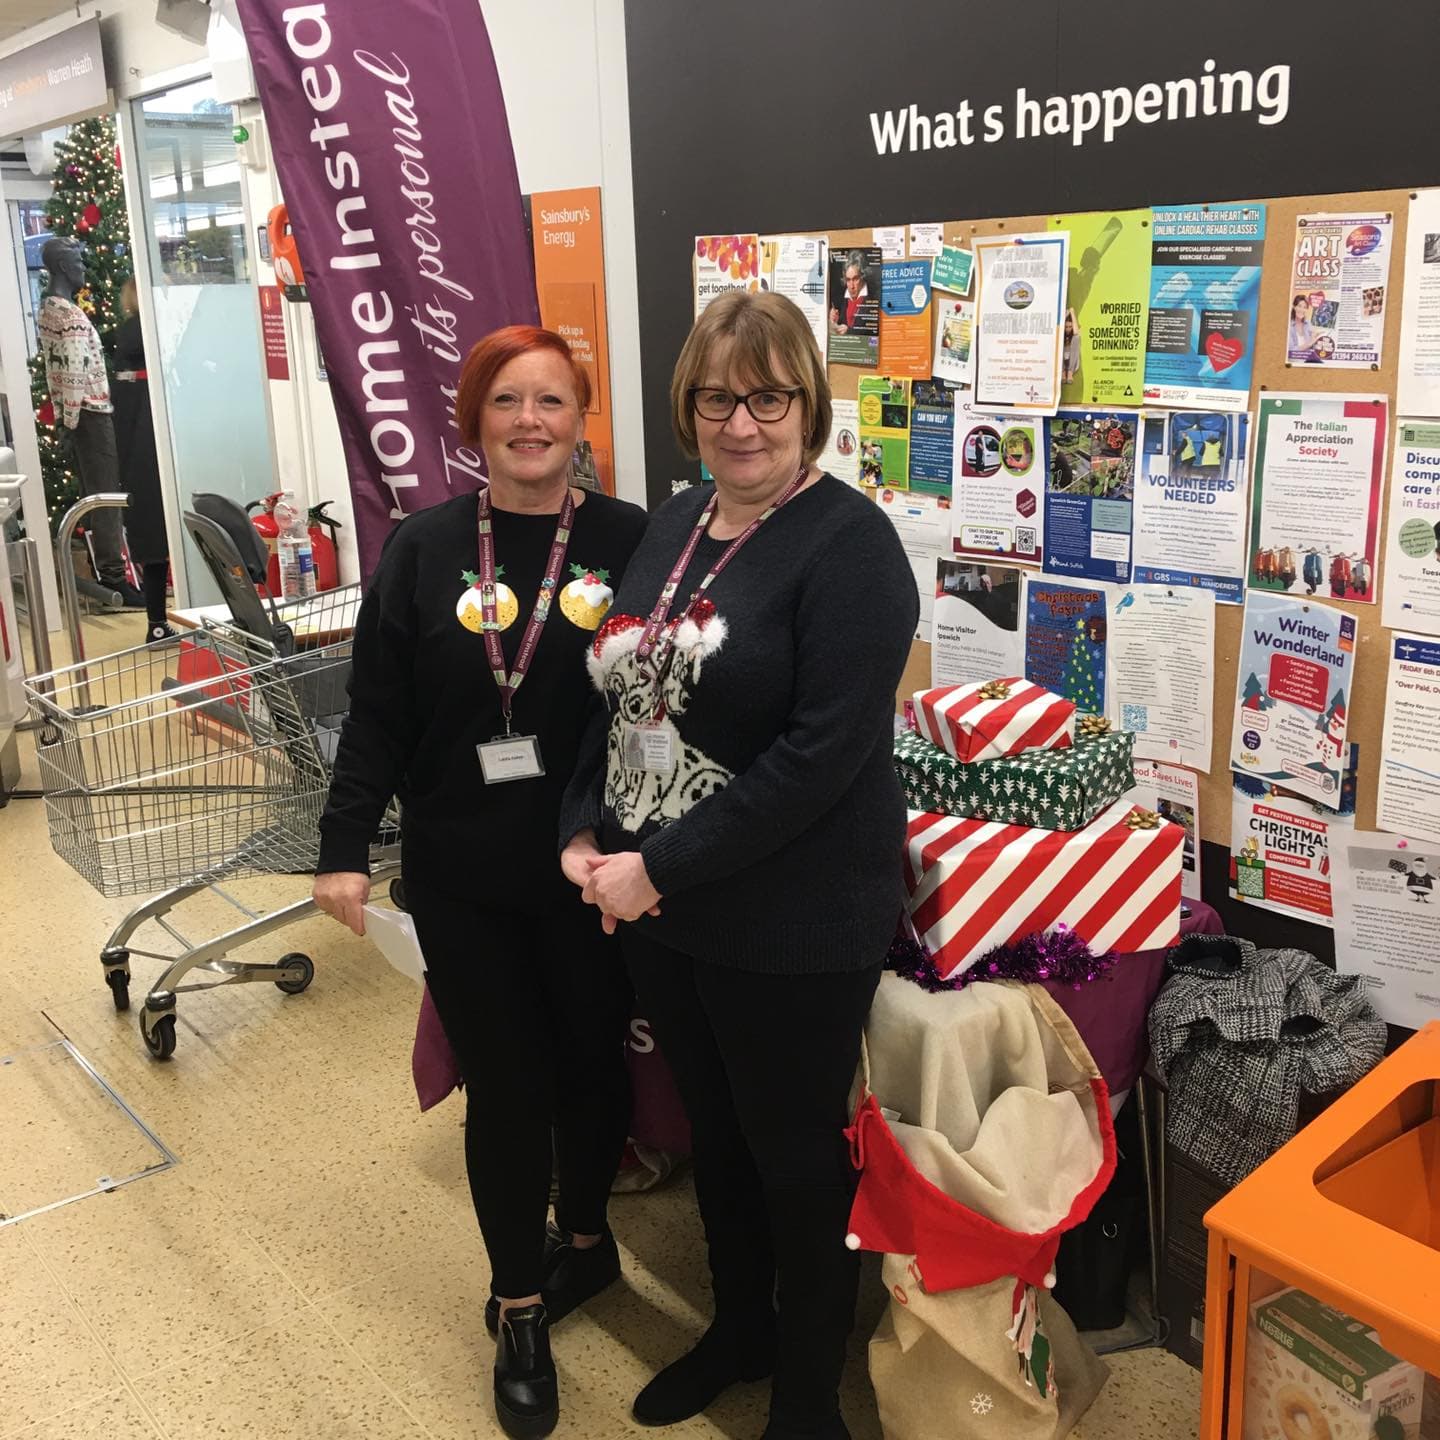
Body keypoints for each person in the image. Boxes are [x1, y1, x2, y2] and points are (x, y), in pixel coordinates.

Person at [559, 290, 917, 1440]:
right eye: (719, 398)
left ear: (808, 403)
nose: (743, 423)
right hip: (674, 909)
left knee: (794, 1162)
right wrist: (586, 827)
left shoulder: (853, 548)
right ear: (690, 407)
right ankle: (740, 1332)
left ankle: (809, 1402)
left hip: (796, 922)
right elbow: (618, 694)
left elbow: (819, 760)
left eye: (770, 398)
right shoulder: (674, 524)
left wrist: (654, 870)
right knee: (714, 1138)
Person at [312, 325, 648, 1440]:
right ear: (475, 419)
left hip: (594, 868)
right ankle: (518, 1306)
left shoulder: (630, 541)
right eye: (507, 400)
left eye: (552, 400)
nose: (530, 421)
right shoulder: (423, 545)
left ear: (581, 417)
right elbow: (378, 709)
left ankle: (588, 1243)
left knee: (595, 1065)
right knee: (507, 1090)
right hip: (463, 871)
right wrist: (344, 843)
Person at [111, 278, 174, 642]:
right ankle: (159, 622)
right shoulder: (151, 341)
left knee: (152, 540)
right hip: (153, 453)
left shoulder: (125, 350)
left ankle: (156, 620)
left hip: (136, 458)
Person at [829, 259, 866, 332]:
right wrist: (836, 319)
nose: (852, 286)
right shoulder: (844, 299)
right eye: (848, 280)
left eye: (855, 279)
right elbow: (842, 323)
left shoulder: (871, 299)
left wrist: (849, 331)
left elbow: (868, 330)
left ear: (862, 277)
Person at [1062, 308, 1081, 383]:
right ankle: (1063, 372)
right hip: (1061, 363)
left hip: (1072, 363)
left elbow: (1076, 333)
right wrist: (1065, 314)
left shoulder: (1074, 333)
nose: (1068, 329)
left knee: (1076, 338)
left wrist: (1072, 312)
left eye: (1070, 327)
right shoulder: (1061, 334)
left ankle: (1070, 373)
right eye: (1066, 327)